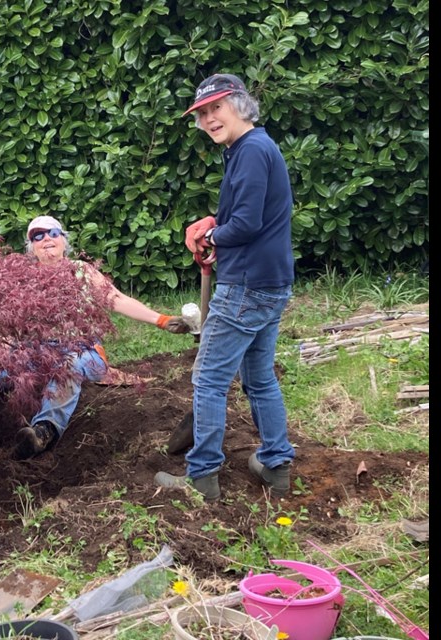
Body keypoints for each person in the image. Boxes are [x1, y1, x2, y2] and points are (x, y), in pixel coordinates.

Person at [154, 73, 296, 502]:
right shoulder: (251, 148)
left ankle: (202, 476)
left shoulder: (250, 151)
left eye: (217, 108)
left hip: (247, 287)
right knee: (259, 380)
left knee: (209, 381)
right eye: (202, 113)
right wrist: (217, 227)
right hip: (269, 283)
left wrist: (212, 238)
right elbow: (247, 218)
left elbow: (249, 223)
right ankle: (275, 464)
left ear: (240, 104)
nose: (209, 119)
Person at [0, 214, 191, 459]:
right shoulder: (23, 280)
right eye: (38, 236)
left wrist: (160, 320)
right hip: (36, 354)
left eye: (53, 233)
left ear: (64, 240)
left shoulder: (82, 272)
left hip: (83, 352)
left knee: (68, 365)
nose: (46, 240)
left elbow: (118, 301)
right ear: (31, 248)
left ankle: (43, 432)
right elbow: (6, 326)